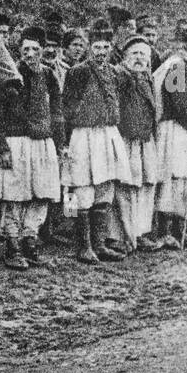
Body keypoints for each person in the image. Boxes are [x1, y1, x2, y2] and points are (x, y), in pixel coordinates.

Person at [60, 25, 129, 264]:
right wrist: (66, 142)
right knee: (82, 186)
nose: (101, 51)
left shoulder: (116, 73)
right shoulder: (78, 72)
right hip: (83, 135)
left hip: (107, 133)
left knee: (105, 186)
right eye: (97, 47)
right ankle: (83, 246)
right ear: (90, 47)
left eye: (106, 47)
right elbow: (66, 108)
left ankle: (100, 244)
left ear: (111, 48)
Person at [0, 26, 62, 269]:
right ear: (19, 51)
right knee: (15, 193)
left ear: (43, 51)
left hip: (43, 141)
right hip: (17, 141)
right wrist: (1, 145)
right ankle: (12, 244)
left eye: (35, 49)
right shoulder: (10, 75)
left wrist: (59, 143)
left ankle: (29, 238)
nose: (31, 54)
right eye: (26, 49)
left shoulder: (49, 76)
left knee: (41, 191)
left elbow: (57, 112)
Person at [152, 22, 187, 249]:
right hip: (174, 129)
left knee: (182, 179)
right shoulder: (178, 66)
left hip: (181, 129)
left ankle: (180, 231)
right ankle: (166, 231)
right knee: (173, 177)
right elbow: (182, 106)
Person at [111, 36, 163, 254]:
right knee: (124, 187)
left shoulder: (148, 78)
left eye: (143, 54)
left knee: (145, 185)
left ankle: (140, 233)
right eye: (134, 54)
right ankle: (119, 235)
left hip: (145, 139)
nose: (140, 58)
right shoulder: (120, 76)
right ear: (125, 57)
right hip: (126, 139)